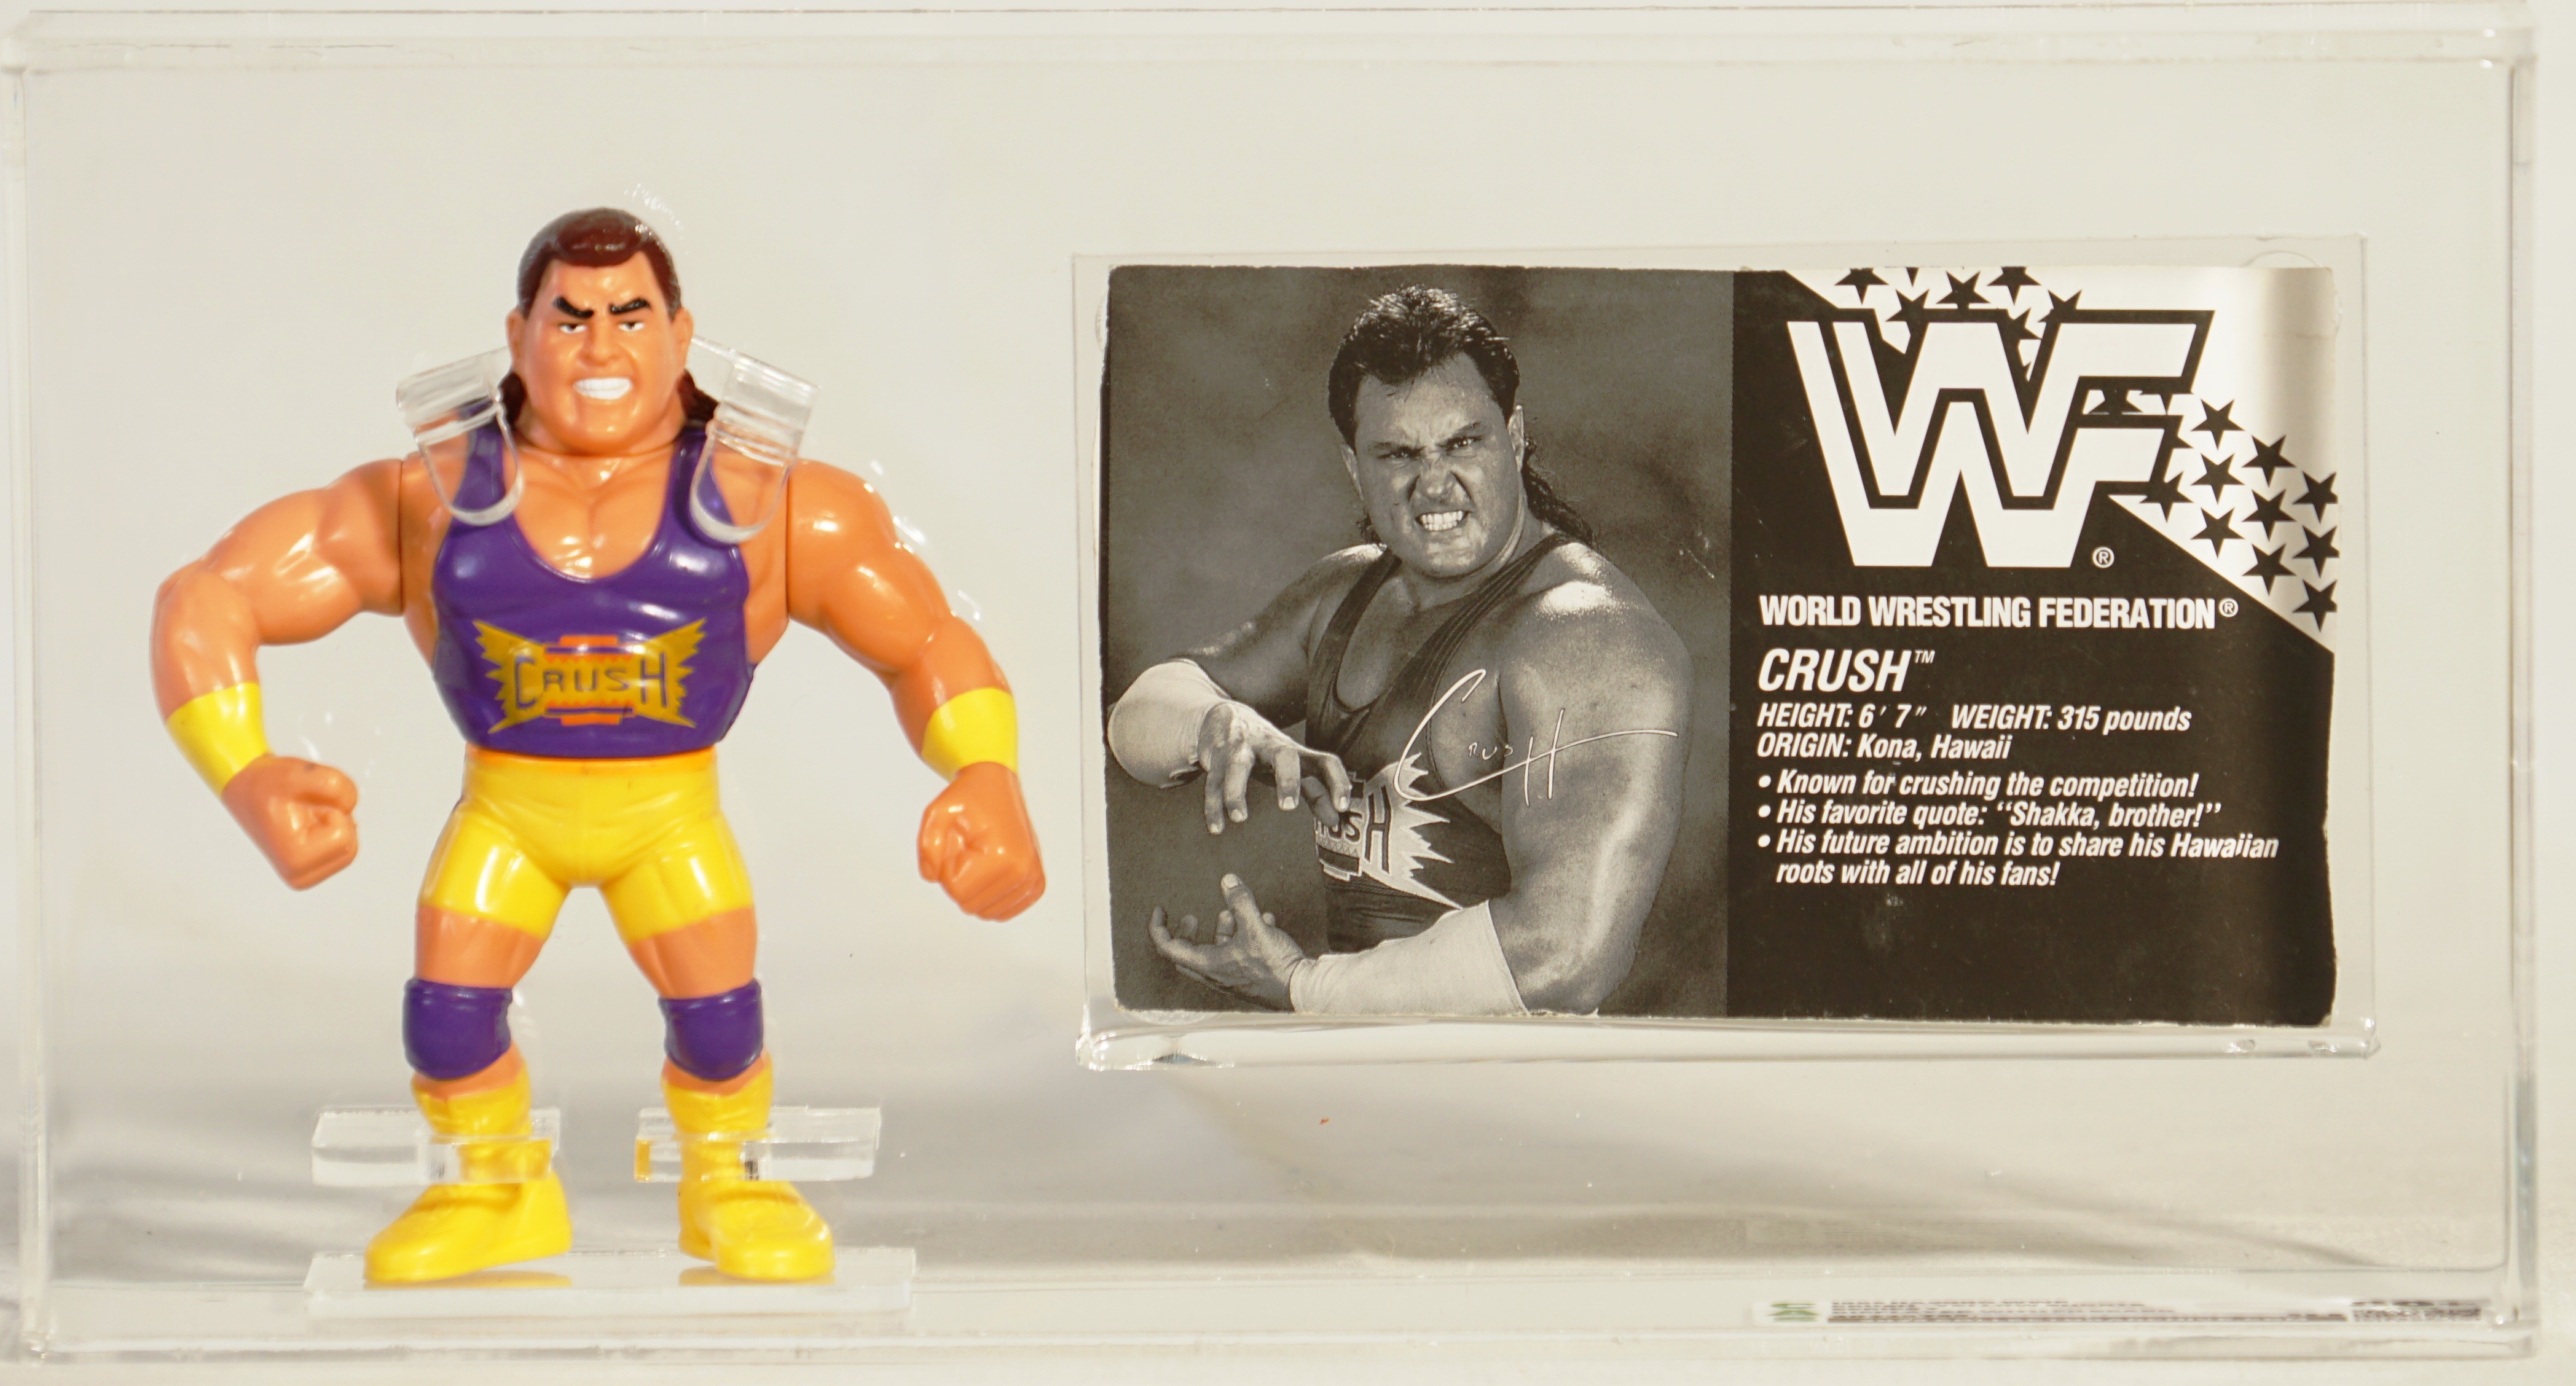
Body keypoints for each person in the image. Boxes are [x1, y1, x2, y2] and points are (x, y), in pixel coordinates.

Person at [150, 209, 1043, 1284]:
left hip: (667, 818)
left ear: (681, 332)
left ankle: (727, 1187)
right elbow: (210, 597)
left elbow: (927, 642)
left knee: (718, 1020)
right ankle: (495, 1194)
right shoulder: (430, 497)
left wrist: (985, 772)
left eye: (629, 315)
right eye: (570, 319)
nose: (600, 346)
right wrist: (243, 771)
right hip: (507, 813)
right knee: (445, 1018)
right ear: (518, 333)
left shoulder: (774, 504)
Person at [1109, 286, 1688, 1016]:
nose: (1434, 484)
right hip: (1360, 1057)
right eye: (1398, 454)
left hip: (1514, 1079)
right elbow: (1137, 718)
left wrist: (1302, 987)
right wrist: (1212, 725)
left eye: (1463, 443)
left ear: (1514, 436)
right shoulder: (1345, 594)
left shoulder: (1586, 633)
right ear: (1355, 467)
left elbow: (1566, 958)